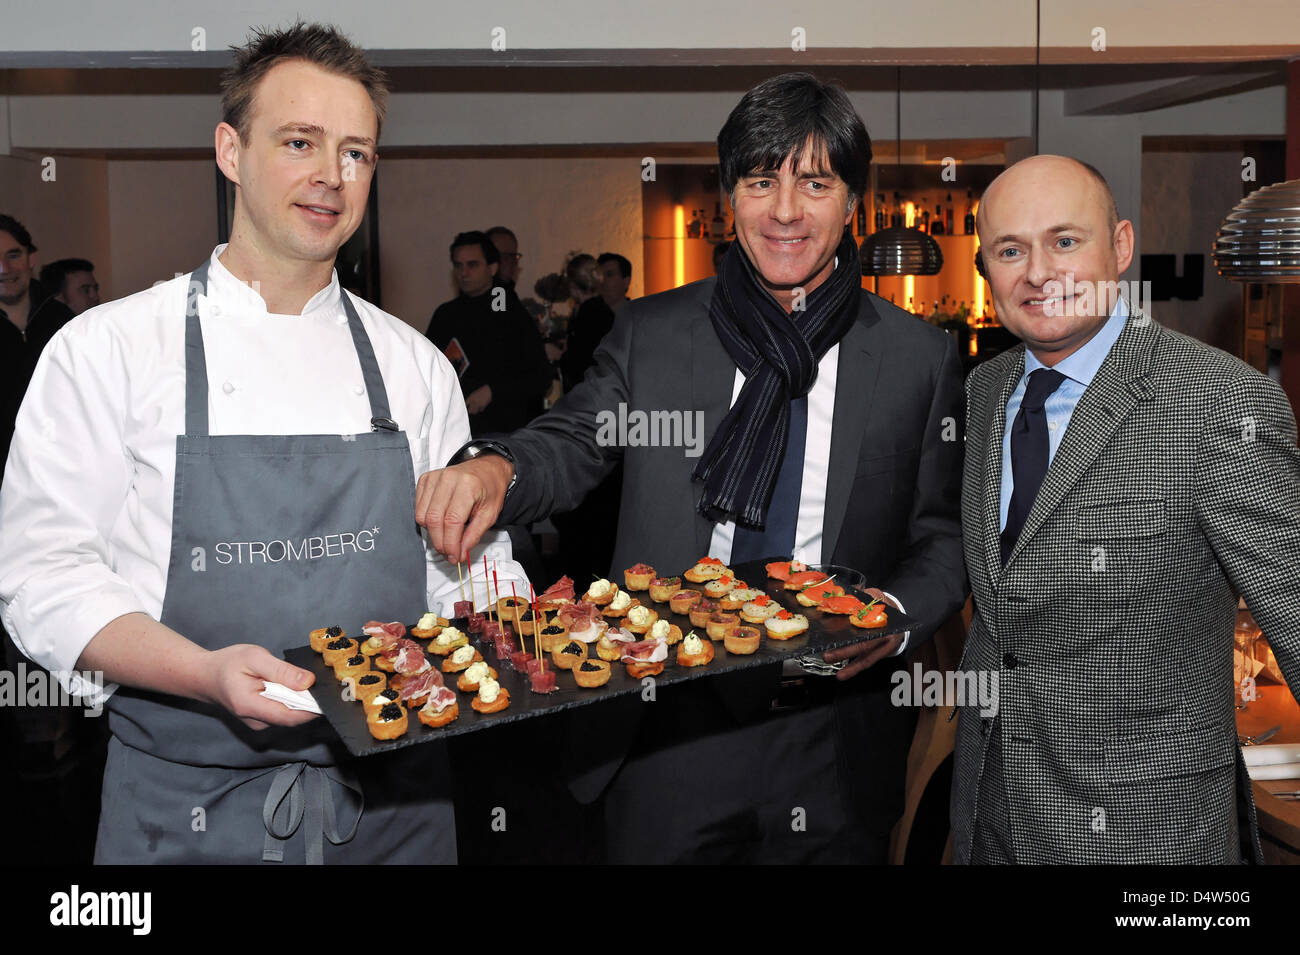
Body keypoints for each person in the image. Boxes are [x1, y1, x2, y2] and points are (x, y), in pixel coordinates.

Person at [0, 21, 527, 864]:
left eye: (355, 152)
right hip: (183, 809)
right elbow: (42, 576)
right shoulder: (110, 349)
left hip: (396, 804)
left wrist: (504, 609)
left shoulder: (414, 365)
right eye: (298, 142)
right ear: (230, 150)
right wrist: (203, 675)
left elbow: (459, 561)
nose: (330, 175)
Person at [414, 72, 967, 863]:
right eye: (760, 180)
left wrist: (895, 611)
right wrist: (498, 468)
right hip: (668, 720)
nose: (785, 209)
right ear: (729, 196)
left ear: (853, 203)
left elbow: (941, 532)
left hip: (834, 732)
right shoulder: (656, 332)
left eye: (815, 182)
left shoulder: (918, 356)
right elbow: (575, 435)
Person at [952, 154, 1300, 863]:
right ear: (986, 266)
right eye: (1011, 249)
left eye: (1065, 240)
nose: (1039, 271)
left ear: (1120, 246)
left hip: (1146, 831)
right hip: (992, 814)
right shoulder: (985, 391)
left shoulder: (1218, 402)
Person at [425, 230, 553, 435]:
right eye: (458, 265)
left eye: (472, 265)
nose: (463, 273)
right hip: (453, 432)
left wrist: (493, 391)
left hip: (503, 434)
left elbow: (540, 376)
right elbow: (427, 372)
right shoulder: (445, 315)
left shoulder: (509, 312)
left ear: (492, 268)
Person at [559, 252, 630, 393]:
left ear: (573, 286)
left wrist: (559, 356)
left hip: (593, 397)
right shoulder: (602, 311)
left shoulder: (588, 315)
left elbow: (580, 364)